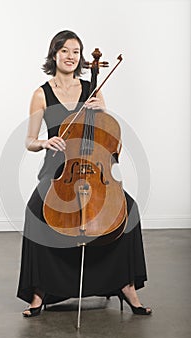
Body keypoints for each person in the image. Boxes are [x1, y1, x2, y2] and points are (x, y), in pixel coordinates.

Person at [17, 30, 152, 317]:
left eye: (76, 51)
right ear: (54, 54)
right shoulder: (41, 94)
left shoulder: (92, 86)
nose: (70, 56)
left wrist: (103, 110)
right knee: (34, 213)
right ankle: (39, 292)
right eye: (64, 51)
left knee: (128, 211)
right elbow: (29, 141)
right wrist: (44, 141)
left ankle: (127, 286)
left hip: (93, 171)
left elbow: (105, 136)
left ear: (81, 56)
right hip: (59, 170)